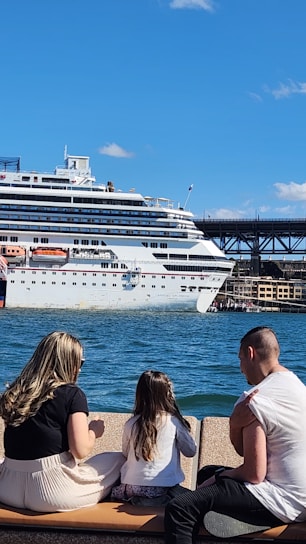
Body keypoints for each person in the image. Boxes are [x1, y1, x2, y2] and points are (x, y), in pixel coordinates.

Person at [164, 326, 306, 543]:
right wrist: (234, 426)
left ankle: (261, 517)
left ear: (251, 354)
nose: (240, 368)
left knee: (180, 508)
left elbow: (253, 474)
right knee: (206, 473)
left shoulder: (254, 400)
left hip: (282, 500)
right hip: (302, 497)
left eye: (240, 359)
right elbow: (246, 452)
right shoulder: (299, 387)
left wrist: (219, 478)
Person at [0, 331, 125, 512]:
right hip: (52, 493)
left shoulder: (15, 392)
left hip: (7, 488)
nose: (80, 368)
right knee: (117, 459)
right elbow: (80, 450)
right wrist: (94, 431)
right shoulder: (72, 394)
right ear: (68, 363)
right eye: (79, 362)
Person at [111, 370, 197, 505]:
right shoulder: (173, 422)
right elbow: (191, 451)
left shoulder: (131, 423)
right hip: (163, 489)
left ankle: (138, 500)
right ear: (167, 394)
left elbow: (126, 453)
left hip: (132, 487)